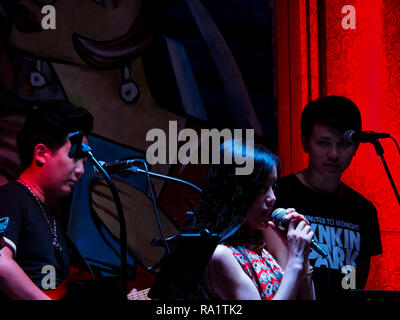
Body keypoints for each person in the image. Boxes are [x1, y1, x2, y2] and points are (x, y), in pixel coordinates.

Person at [272, 95, 383, 299]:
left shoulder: (363, 210)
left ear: (356, 146)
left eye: (343, 144)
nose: (333, 154)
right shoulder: (279, 194)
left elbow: (356, 283)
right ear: (305, 143)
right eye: (323, 143)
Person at [182, 140, 316, 300]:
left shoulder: (262, 250)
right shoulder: (221, 256)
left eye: (273, 187)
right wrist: (295, 260)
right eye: (262, 188)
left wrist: (303, 257)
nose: (272, 198)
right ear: (235, 192)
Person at [0, 102, 93, 300]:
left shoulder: (52, 219)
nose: (81, 170)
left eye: (84, 162)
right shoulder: (12, 198)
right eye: (76, 158)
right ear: (41, 154)